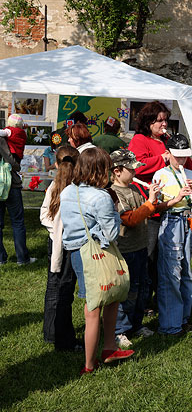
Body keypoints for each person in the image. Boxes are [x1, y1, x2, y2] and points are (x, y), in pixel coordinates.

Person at [60, 148, 134, 374]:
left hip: (75, 253)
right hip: (96, 253)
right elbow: (111, 234)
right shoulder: (101, 197)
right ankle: (90, 364)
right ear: (101, 169)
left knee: (107, 298)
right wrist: (113, 209)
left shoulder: (67, 192)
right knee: (95, 308)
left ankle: (108, 349)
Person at [128, 101, 192, 310]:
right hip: (152, 207)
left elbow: (185, 163)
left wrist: (181, 155)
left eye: (166, 119)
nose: (164, 124)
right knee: (149, 256)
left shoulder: (168, 139)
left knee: (166, 259)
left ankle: (161, 297)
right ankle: (144, 301)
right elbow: (136, 167)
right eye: (160, 120)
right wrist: (162, 158)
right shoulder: (139, 140)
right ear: (148, 122)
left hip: (174, 207)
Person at [110, 149, 161, 347]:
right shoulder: (114, 193)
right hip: (126, 250)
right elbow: (130, 219)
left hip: (140, 247)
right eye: (131, 169)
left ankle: (136, 324)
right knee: (126, 291)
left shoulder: (133, 189)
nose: (134, 173)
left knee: (142, 288)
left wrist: (170, 200)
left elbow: (149, 209)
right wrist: (150, 201)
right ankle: (120, 330)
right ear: (117, 171)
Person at [153, 133, 192, 335]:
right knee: (171, 272)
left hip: (189, 221)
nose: (181, 160)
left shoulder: (190, 172)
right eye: (177, 156)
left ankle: (183, 318)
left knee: (187, 272)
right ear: (168, 154)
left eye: (184, 156)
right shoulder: (161, 175)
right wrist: (177, 197)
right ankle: (170, 325)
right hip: (171, 221)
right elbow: (157, 206)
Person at [40, 146, 82, 350]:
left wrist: (54, 230)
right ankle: (61, 337)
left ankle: (51, 332)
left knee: (54, 288)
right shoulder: (73, 188)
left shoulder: (55, 186)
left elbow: (44, 216)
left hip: (58, 243)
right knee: (63, 291)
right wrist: (59, 231)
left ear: (56, 163)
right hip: (67, 244)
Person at [0, 137, 36, 266]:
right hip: (9, 185)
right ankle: (22, 258)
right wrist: (17, 164)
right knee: (17, 222)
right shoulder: (1, 139)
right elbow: (12, 161)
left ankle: (1, 258)